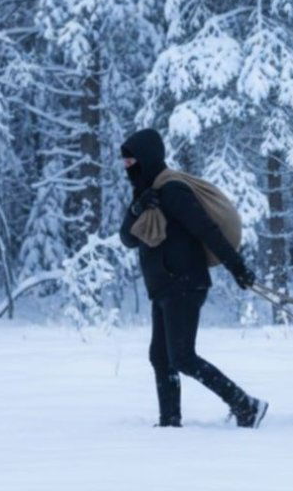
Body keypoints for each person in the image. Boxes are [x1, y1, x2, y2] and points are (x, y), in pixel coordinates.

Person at [118, 128, 268, 428]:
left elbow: (206, 230)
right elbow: (128, 238)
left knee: (182, 356)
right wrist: (137, 208)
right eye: (124, 162)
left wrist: (236, 267)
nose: (127, 167)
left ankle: (245, 405)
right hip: (163, 286)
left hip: (184, 284)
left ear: (146, 158)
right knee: (160, 357)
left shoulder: (172, 190)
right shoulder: (145, 194)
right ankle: (169, 422)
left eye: (131, 160)